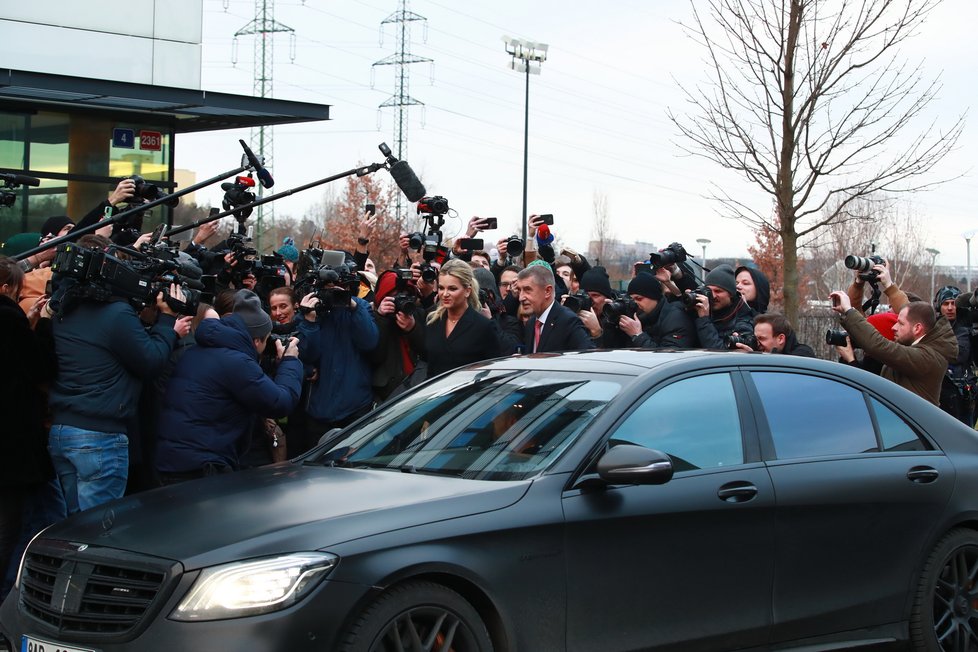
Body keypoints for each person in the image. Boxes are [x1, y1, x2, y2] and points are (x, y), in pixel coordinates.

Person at [46, 235, 192, 513]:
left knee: (68, 529)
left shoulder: (64, 309)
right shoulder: (116, 314)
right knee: (95, 530)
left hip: (63, 432)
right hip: (99, 437)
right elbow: (150, 362)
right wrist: (167, 324)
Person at [155, 290, 303, 483]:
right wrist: (290, 360)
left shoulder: (198, 350)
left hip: (174, 460)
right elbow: (280, 402)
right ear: (256, 340)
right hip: (202, 467)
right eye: (266, 340)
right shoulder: (236, 361)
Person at [0, 257, 58, 599]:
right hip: (11, 440)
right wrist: (44, 325)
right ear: (7, 288)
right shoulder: (8, 319)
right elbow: (39, 369)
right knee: (9, 523)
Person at [296, 270, 379, 452]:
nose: (332, 293)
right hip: (319, 408)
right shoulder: (311, 310)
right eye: (326, 289)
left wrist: (352, 307)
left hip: (355, 406)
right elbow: (304, 354)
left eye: (337, 288)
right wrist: (309, 320)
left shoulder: (360, 306)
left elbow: (370, 342)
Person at [830, 290, 957, 405]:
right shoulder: (920, 346)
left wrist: (848, 310)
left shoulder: (927, 358)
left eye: (900, 323)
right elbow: (913, 311)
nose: (893, 327)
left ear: (917, 328)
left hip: (909, 428)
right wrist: (889, 286)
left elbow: (878, 345)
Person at [422, 259, 501, 377]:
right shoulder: (433, 321)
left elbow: (492, 372)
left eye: (452, 288)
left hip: (469, 393)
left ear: (467, 291)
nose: (445, 294)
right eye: (441, 288)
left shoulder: (483, 326)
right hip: (436, 392)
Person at [370, 269, 425, 402]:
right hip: (386, 393)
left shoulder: (418, 314)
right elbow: (374, 356)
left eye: (406, 295)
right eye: (395, 296)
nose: (401, 300)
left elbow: (427, 351)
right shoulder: (372, 318)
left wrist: (412, 329)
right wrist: (381, 318)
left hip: (417, 387)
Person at [515, 262, 595, 353]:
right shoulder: (531, 323)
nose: (521, 297)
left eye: (527, 290)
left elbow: (587, 358)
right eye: (519, 290)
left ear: (547, 291)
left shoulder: (568, 321)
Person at [617, 272, 698, 349]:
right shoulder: (638, 317)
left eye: (639, 298)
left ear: (654, 296)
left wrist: (638, 335)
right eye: (632, 299)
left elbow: (668, 357)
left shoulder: (676, 318)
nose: (635, 303)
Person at [934, 286, 976, 425]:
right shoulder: (932, 327)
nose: (950, 308)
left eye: (954, 303)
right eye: (946, 304)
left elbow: (960, 355)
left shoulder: (967, 327)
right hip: (938, 392)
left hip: (963, 393)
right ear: (939, 306)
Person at [691, 264, 756, 350]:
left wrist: (704, 320)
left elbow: (719, 354)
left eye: (718, 291)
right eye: (709, 291)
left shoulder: (743, 320)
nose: (713, 296)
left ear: (731, 294)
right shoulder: (701, 308)